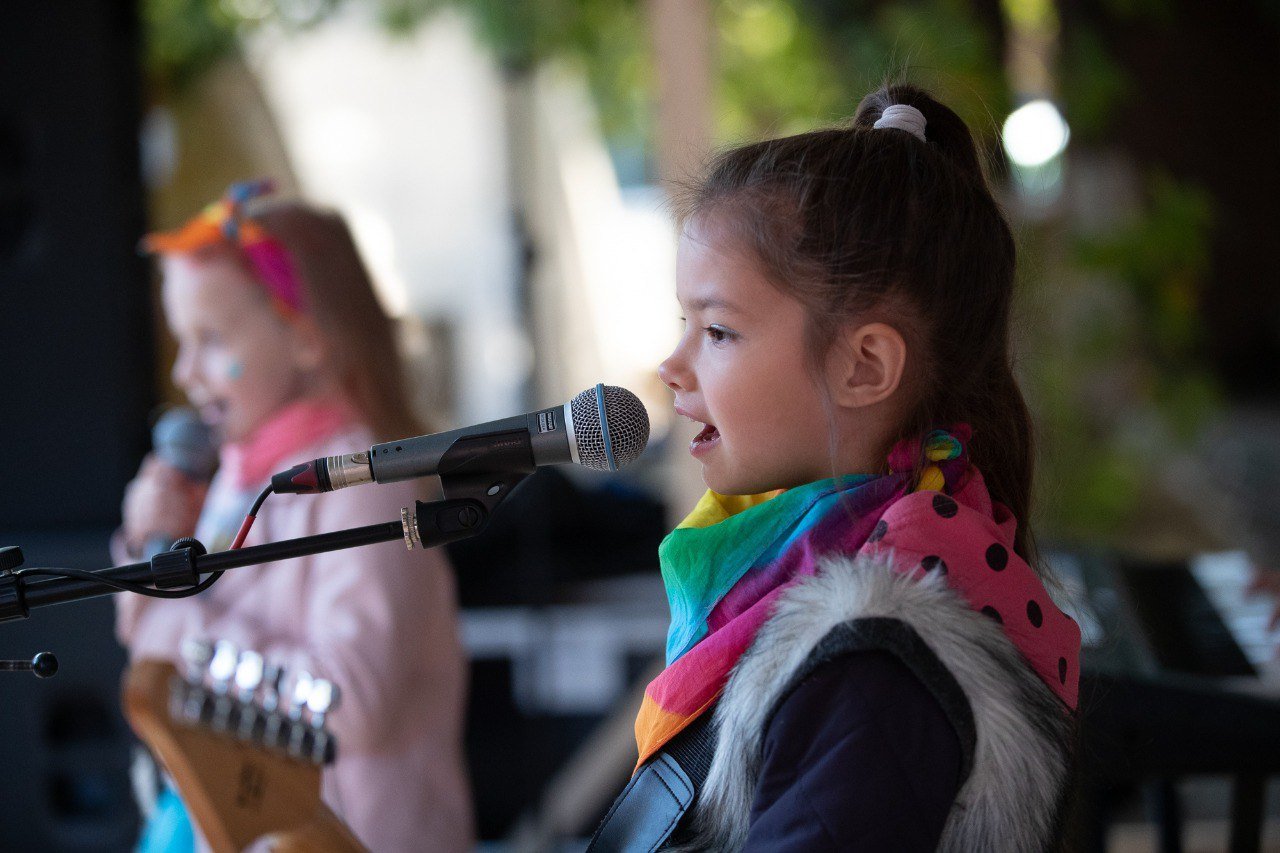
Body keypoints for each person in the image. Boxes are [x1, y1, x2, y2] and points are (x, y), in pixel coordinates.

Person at [589, 85, 1081, 852]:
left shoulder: (876, 663)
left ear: (865, 365)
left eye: (717, 330)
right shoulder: (825, 584)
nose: (672, 366)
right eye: (685, 323)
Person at [115, 181, 473, 852]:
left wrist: (174, 617)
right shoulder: (233, 477)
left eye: (210, 339)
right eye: (179, 341)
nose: (186, 372)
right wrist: (150, 541)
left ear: (306, 337)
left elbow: (349, 702)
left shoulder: (364, 483)